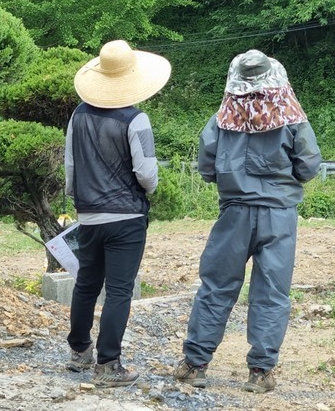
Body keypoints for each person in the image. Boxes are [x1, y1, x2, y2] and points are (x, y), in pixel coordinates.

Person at [174, 49, 321, 393]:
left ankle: (195, 364)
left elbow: (207, 168)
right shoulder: (291, 116)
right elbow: (309, 166)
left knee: (217, 285)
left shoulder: (221, 119)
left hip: (234, 213)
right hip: (279, 215)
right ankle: (260, 372)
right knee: (272, 292)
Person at [63, 40, 171, 387]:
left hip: (88, 216)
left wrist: (79, 199)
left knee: (86, 284)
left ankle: (79, 352)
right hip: (125, 219)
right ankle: (108, 365)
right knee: (119, 290)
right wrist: (147, 192)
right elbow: (147, 175)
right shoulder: (135, 119)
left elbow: (70, 167)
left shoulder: (78, 115)